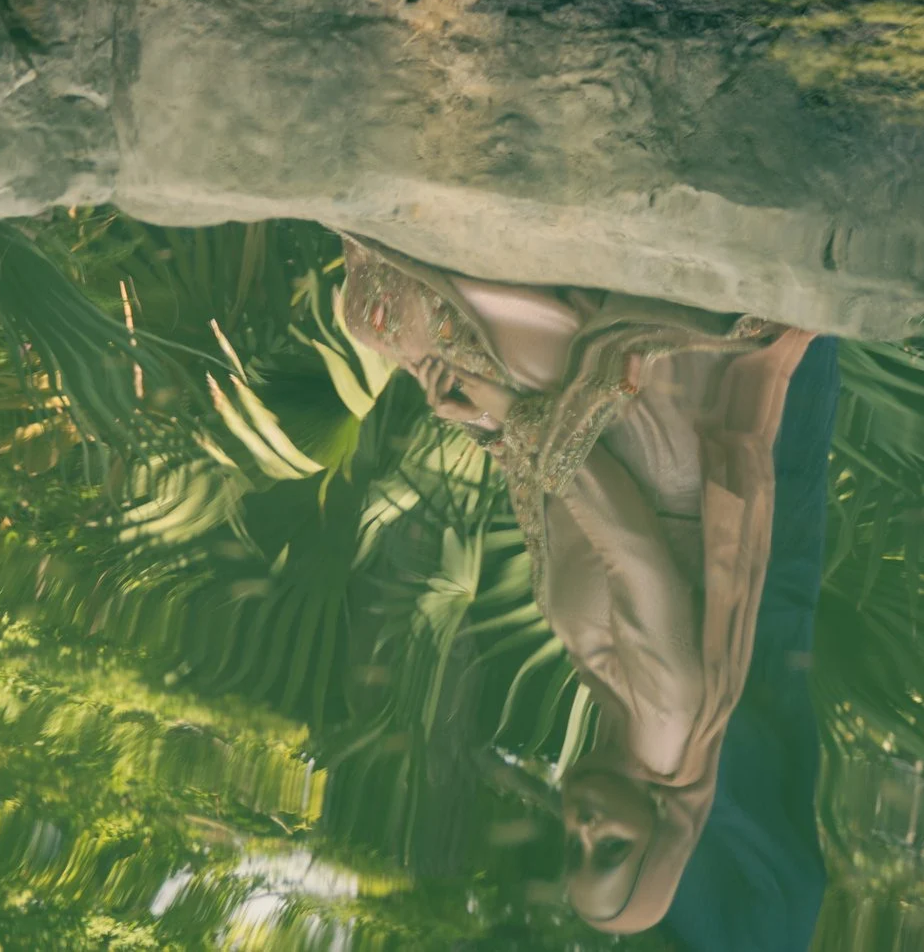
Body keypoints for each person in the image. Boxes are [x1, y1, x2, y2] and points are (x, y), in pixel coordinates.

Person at [339, 242, 831, 945]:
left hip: (598, 439)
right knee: (395, 318)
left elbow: (560, 526)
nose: (585, 828)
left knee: (414, 339)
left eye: (573, 849)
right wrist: (511, 417)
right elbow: (631, 552)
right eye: (611, 850)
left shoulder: (616, 720)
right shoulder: (665, 731)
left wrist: (494, 430)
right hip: (648, 427)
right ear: (661, 833)